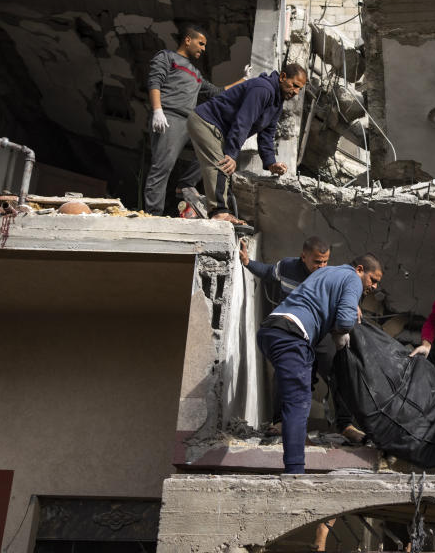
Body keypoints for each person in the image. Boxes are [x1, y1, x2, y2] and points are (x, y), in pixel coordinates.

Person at [256, 253, 383, 474]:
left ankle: (297, 441)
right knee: (299, 402)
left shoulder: (327, 271)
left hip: (272, 330)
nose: (374, 287)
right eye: (373, 280)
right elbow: (344, 320)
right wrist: (343, 326)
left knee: (305, 375)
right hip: (291, 334)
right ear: (360, 269)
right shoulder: (353, 278)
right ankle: (295, 472)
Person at [240, 236, 365, 443]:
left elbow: (344, 294)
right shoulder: (288, 267)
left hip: (319, 331)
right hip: (292, 329)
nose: (322, 266)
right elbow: (270, 273)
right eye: (317, 262)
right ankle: (280, 422)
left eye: (325, 261)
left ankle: (345, 424)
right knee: (285, 373)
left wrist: (353, 304)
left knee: (339, 370)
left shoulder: (328, 273)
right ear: (303, 257)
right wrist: (248, 263)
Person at [143, 25, 247, 216]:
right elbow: (154, 81)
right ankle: (153, 215)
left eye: (205, 45)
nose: (204, 48)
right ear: (188, 40)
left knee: (214, 150)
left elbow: (217, 92)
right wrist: (158, 110)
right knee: (162, 167)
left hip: (191, 121)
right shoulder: (167, 57)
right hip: (169, 117)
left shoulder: (196, 73)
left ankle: (185, 184)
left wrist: (244, 80)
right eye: (201, 43)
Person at [187, 63, 307, 223]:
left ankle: (218, 209)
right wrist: (231, 153)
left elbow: (267, 134)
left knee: (225, 173)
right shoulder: (263, 89)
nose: (296, 92)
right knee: (221, 165)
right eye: (295, 85)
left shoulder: (277, 101)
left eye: (300, 89)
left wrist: (271, 163)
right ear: (283, 77)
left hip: (219, 130)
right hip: (206, 121)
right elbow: (243, 121)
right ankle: (218, 212)